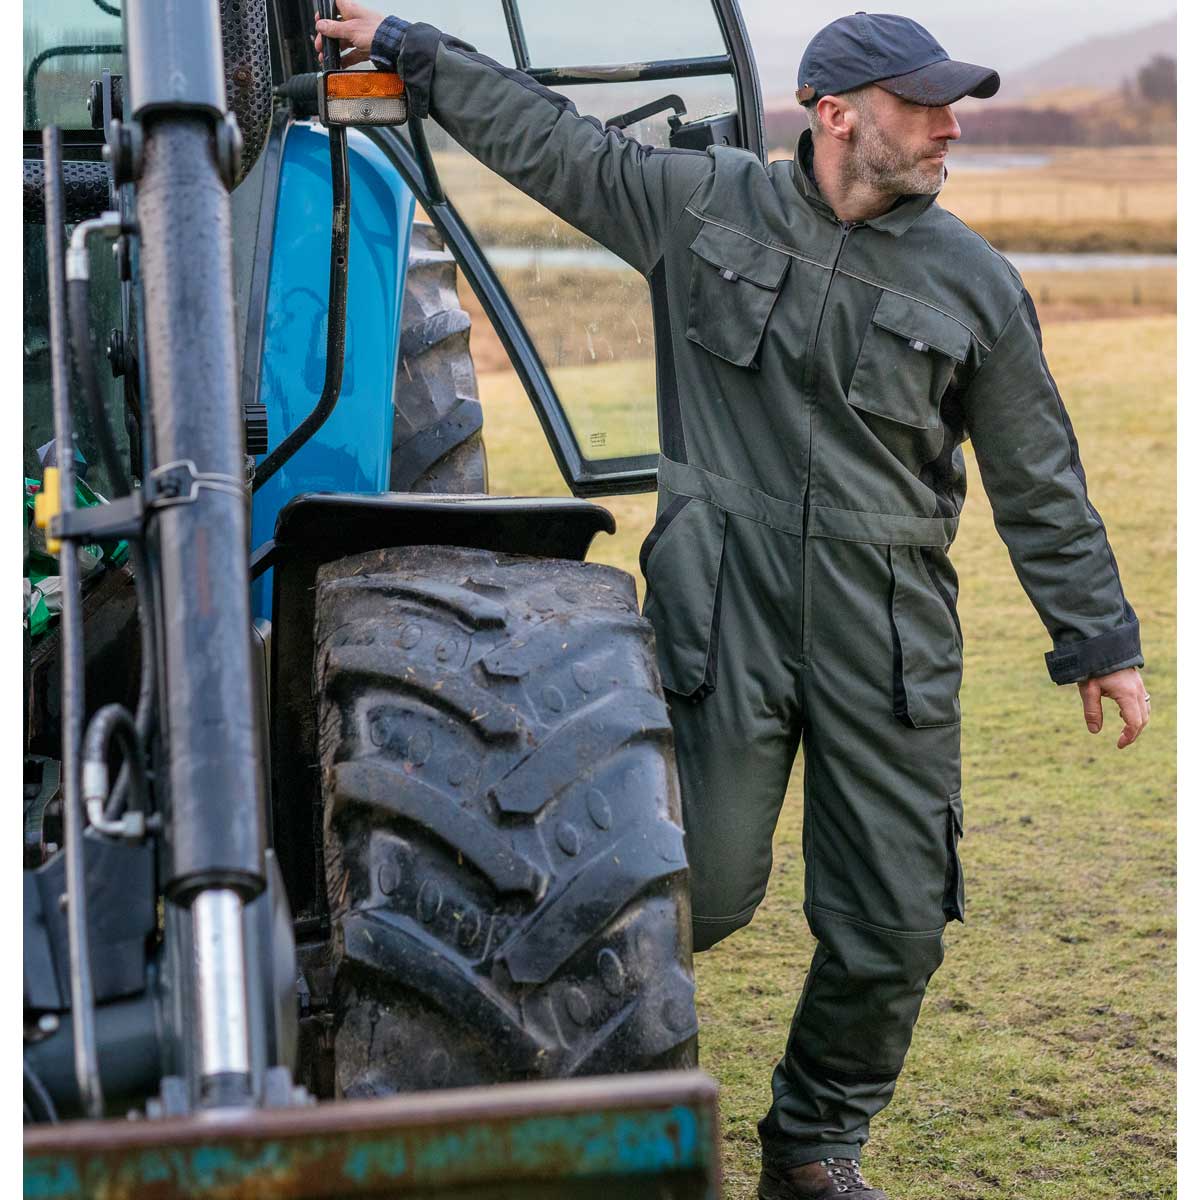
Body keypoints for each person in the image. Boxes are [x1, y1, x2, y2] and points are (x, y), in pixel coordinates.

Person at [316, 7, 1151, 1197]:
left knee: (895, 927)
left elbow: (1040, 478)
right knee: (684, 887)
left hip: (890, 627)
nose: (950, 128)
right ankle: (545, 1090)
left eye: (951, 107)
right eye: (925, 107)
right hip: (726, 612)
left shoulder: (976, 283)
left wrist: (1098, 642)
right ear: (837, 116)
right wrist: (420, 52)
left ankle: (813, 1146)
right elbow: (552, 145)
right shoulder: (701, 203)